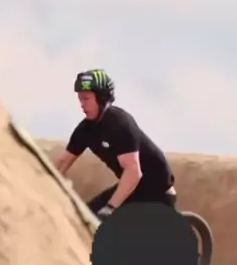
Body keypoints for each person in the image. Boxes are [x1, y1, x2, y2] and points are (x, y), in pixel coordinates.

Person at [55, 69, 177, 221]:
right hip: (133, 189)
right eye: (80, 99)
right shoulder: (85, 130)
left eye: (86, 98)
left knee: (109, 220)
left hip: (157, 190)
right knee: (85, 216)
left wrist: (111, 207)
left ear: (101, 98)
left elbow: (133, 172)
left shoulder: (120, 124)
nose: (81, 104)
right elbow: (63, 162)